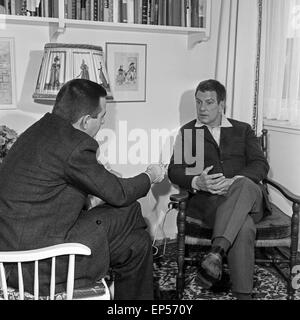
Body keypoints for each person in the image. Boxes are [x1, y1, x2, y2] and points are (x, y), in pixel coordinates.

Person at [0, 79, 165, 300]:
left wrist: (93, 199)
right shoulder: (74, 144)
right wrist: (151, 175)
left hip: (14, 257)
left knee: (137, 244)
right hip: (39, 264)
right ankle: (147, 230)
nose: (104, 122)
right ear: (86, 121)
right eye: (102, 117)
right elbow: (119, 194)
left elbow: (50, 193)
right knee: (129, 207)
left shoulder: (38, 131)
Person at [168, 79, 272, 300]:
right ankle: (221, 260)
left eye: (209, 102)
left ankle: (214, 253)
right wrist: (198, 181)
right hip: (214, 202)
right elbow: (175, 171)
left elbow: (260, 164)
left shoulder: (242, 129)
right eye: (198, 102)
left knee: (242, 183)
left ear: (222, 103)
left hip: (250, 198)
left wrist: (235, 180)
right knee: (243, 226)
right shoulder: (190, 132)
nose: (202, 108)